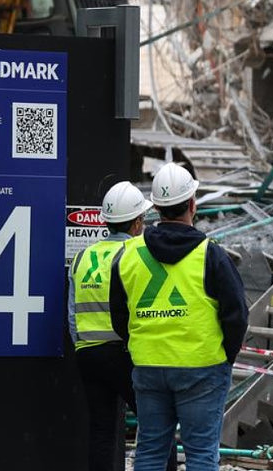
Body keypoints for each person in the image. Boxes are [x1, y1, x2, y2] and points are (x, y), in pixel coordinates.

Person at [111, 162, 249, 471]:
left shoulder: (128, 255)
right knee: (201, 455)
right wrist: (226, 355)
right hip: (202, 367)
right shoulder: (211, 254)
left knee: (149, 453)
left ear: (155, 208)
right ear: (192, 204)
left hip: (148, 366)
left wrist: (140, 346)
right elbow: (237, 314)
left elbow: (119, 315)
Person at [68, 181, 177, 471]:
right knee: (158, 424)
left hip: (87, 354)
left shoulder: (82, 257)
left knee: (102, 430)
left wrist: (82, 344)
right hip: (123, 353)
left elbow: (71, 314)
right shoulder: (134, 255)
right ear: (138, 221)